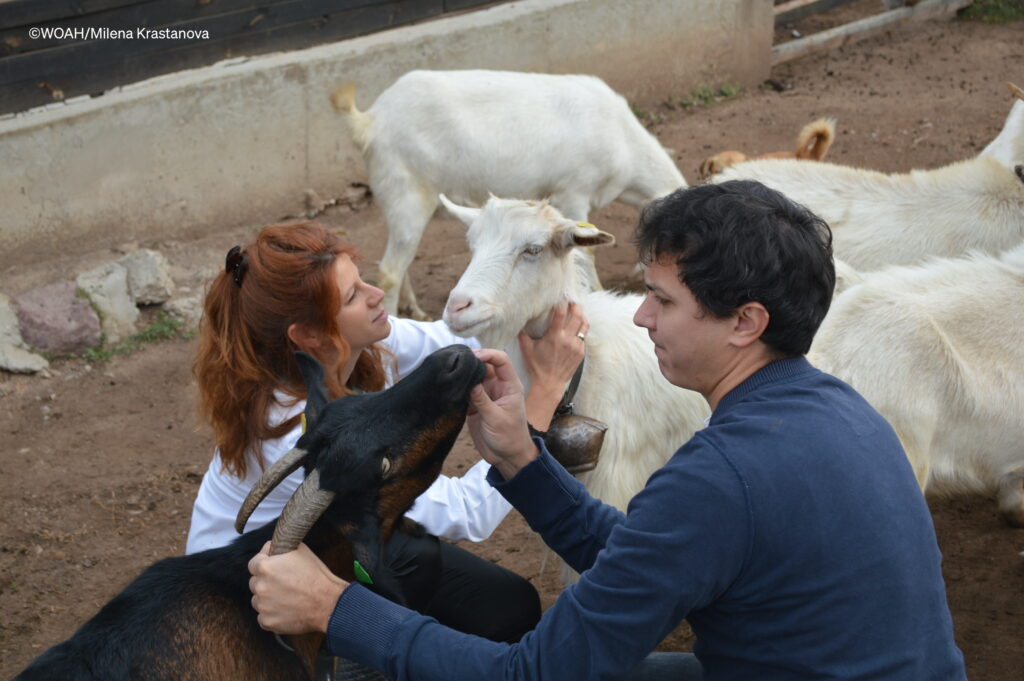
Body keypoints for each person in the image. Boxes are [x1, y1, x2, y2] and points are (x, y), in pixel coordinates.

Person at [246, 182, 967, 681]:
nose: (643, 317)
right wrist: (523, 461)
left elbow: (533, 671)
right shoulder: (838, 410)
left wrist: (333, 605)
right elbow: (649, 553)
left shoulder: (720, 474)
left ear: (746, 322)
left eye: (661, 300)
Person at [189, 220, 589, 643]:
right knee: (443, 607)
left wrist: (534, 311)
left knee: (507, 605)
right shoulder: (292, 435)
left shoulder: (359, 341)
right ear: (308, 334)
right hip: (249, 606)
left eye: (361, 280)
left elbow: (456, 342)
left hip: (331, 544)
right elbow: (467, 514)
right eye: (353, 296)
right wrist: (542, 395)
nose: (377, 294)